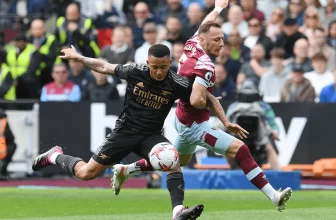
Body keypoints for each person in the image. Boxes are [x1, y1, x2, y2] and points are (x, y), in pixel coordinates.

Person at [114, 0, 292, 212]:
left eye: (222, 39)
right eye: (217, 40)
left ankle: (126, 169)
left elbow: (204, 26)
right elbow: (197, 100)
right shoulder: (206, 66)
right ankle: (274, 196)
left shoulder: (192, 44)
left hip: (181, 119)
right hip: (195, 125)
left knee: (177, 161)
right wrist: (211, 102)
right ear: (204, 41)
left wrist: (217, 9)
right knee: (241, 149)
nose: (221, 44)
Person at [32, 44, 227, 220]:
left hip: (150, 136)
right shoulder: (135, 71)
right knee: (86, 173)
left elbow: (206, 97)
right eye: (155, 67)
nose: (159, 72)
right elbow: (104, 67)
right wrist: (79, 58)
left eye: (163, 67)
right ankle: (54, 156)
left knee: (172, 159)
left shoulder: (178, 83)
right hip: (124, 132)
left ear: (170, 63)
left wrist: (225, 120)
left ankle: (178, 212)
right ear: (147, 62)